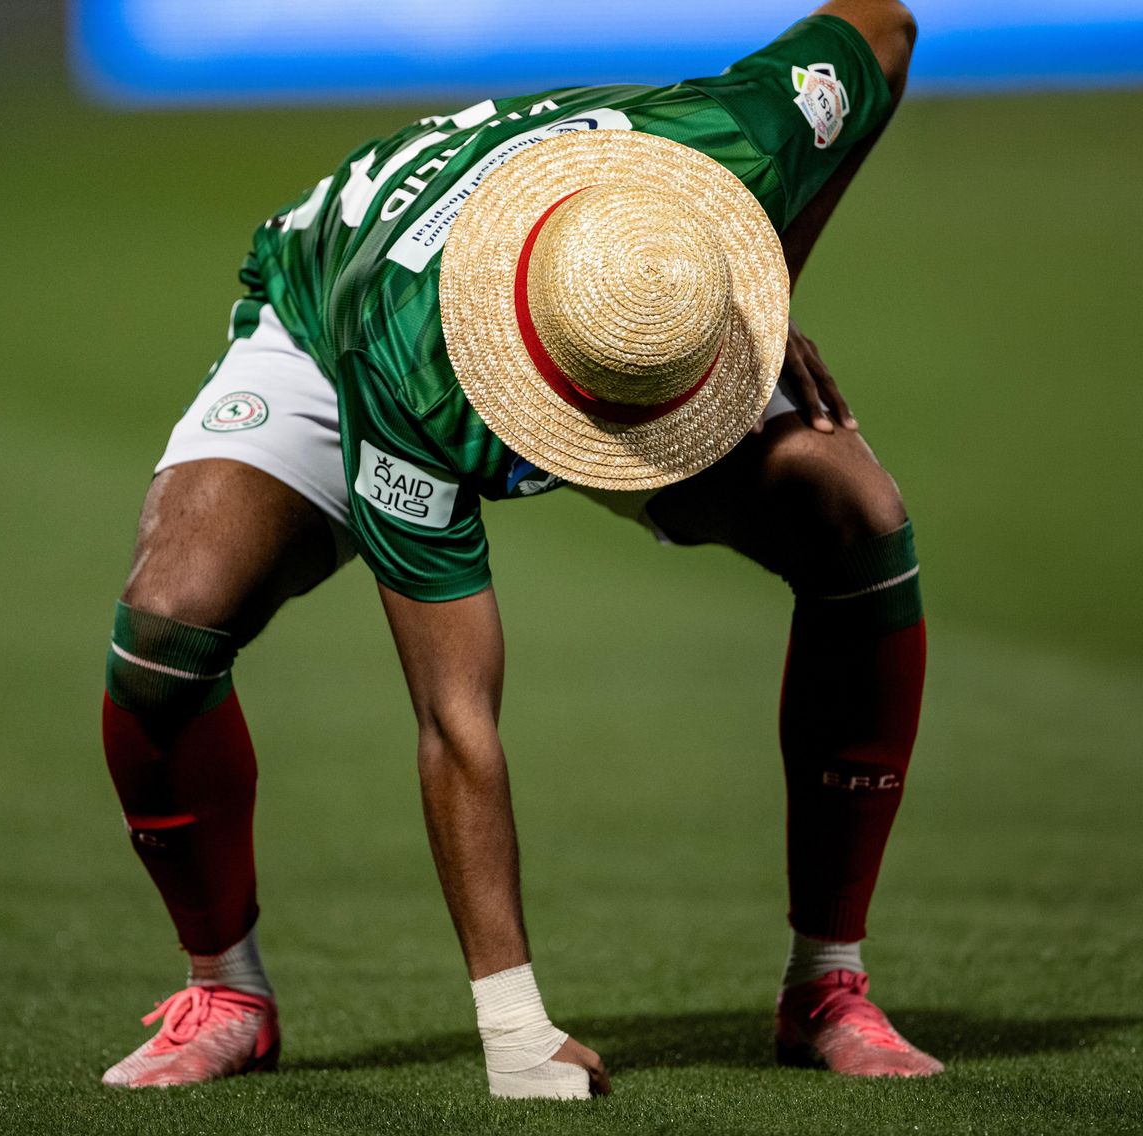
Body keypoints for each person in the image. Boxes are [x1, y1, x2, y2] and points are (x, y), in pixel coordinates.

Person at [97, 0, 939, 1098]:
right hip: (333, 325)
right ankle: (228, 990)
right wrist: (513, 1026)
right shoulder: (410, 368)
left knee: (856, 516)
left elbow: (880, 29)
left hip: (646, 323)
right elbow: (455, 716)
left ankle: (826, 981)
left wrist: (766, 290)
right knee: (168, 621)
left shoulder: (741, 139)